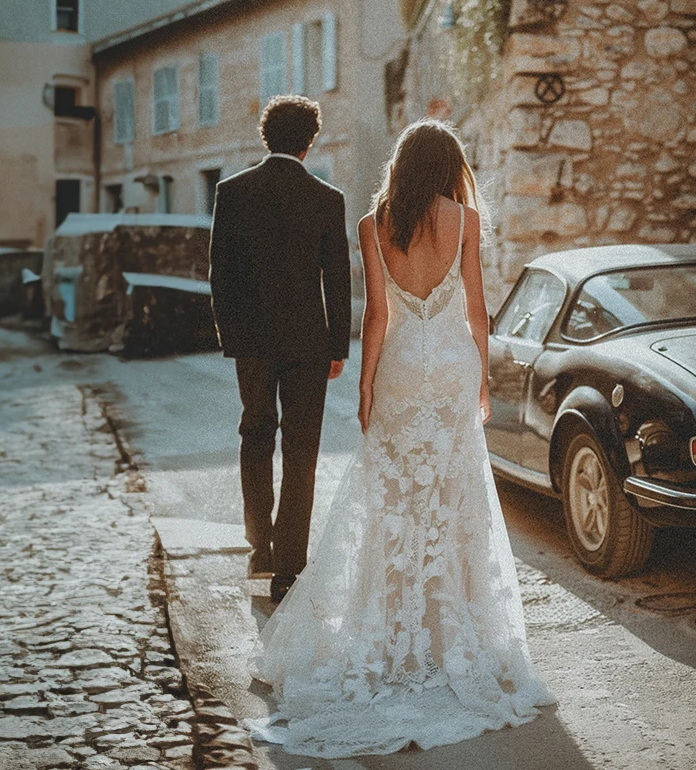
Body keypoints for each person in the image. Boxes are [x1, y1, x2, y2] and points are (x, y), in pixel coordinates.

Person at [245, 119, 554, 757]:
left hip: (401, 370)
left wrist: (365, 386)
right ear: (446, 166)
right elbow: (476, 306)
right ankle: (448, 636)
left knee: (392, 503)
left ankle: (393, 635)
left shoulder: (372, 223)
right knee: (452, 497)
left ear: (400, 165)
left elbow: (376, 315)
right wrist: (484, 377)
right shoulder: (463, 220)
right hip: (450, 368)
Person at [208, 95, 351, 602]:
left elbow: (219, 276)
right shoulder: (327, 198)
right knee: (302, 450)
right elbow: (337, 279)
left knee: (255, 436)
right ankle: (289, 566)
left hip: (251, 344)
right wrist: (339, 346)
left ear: (265, 138)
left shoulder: (231, 191)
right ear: (310, 141)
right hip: (310, 345)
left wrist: (232, 338)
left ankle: (259, 550)